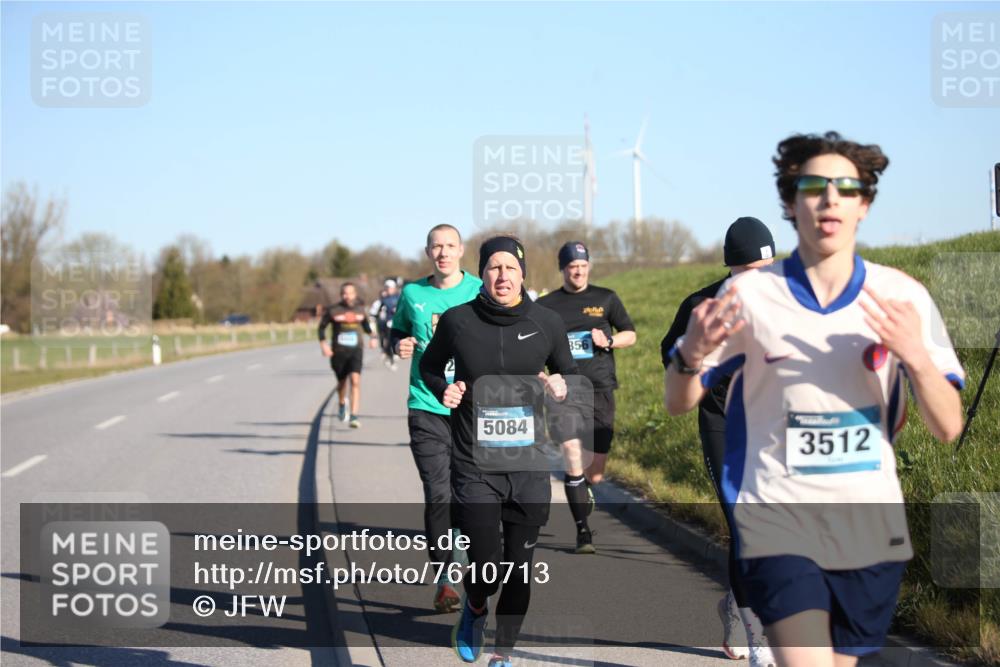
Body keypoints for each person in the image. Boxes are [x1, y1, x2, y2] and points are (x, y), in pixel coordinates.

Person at [664, 131, 965, 667]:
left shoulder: (903, 296)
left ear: (864, 204)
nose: (829, 199)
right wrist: (691, 353)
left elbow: (947, 427)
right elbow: (678, 401)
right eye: (812, 186)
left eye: (846, 188)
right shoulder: (746, 297)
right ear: (789, 203)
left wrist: (917, 357)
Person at [420, 235, 580, 667]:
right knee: (487, 562)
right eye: (493, 267)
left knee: (519, 569)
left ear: (523, 273)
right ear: (483, 274)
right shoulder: (458, 321)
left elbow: (569, 372)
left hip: (527, 465)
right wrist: (445, 388)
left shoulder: (547, 322)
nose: (503, 275)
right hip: (475, 463)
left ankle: (503, 654)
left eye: (511, 267)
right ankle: (475, 605)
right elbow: (429, 366)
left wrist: (561, 385)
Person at [660, 216, 777, 666]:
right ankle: (758, 640)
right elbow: (671, 356)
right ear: (733, 267)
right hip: (723, 423)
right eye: (752, 272)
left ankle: (735, 604)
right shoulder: (701, 304)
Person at [390, 224, 482, 612]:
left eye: (449, 246)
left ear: (461, 250)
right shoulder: (412, 294)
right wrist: (399, 344)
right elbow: (393, 333)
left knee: (468, 493)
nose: (443, 252)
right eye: (436, 247)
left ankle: (459, 559)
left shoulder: (478, 289)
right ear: (428, 252)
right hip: (425, 405)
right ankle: (446, 577)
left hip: (470, 408)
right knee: (438, 492)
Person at [538, 241, 637, 554]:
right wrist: (543, 376)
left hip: (600, 388)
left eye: (582, 265)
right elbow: (536, 345)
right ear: (562, 269)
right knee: (571, 453)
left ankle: (585, 489)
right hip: (564, 390)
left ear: (588, 266)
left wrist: (608, 340)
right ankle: (583, 532)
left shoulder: (605, 298)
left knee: (595, 472)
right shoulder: (548, 304)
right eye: (571, 266)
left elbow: (630, 333)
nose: (577, 271)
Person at [318, 282, 377, 428]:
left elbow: (366, 326)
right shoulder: (333, 310)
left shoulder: (360, 310)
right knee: (342, 383)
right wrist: (324, 345)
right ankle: (342, 402)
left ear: (355, 294)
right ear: (341, 294)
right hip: (339, 352)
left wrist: (373, 337)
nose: (347, 296)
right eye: (344, 293)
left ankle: (354, 416)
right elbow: (321, 328)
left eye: (350, 293)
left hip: (356, 350)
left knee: (356, 381)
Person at [372, 279, 401, 369]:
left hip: (398, 323)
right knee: (387, 341)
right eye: (387, 288)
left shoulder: (399, 297)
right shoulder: (383, 300)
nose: (389, 290)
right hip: (387, 323)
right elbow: (376, 311)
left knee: (395, 340)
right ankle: (390, 357)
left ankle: (394, 353)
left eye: (390, 288)